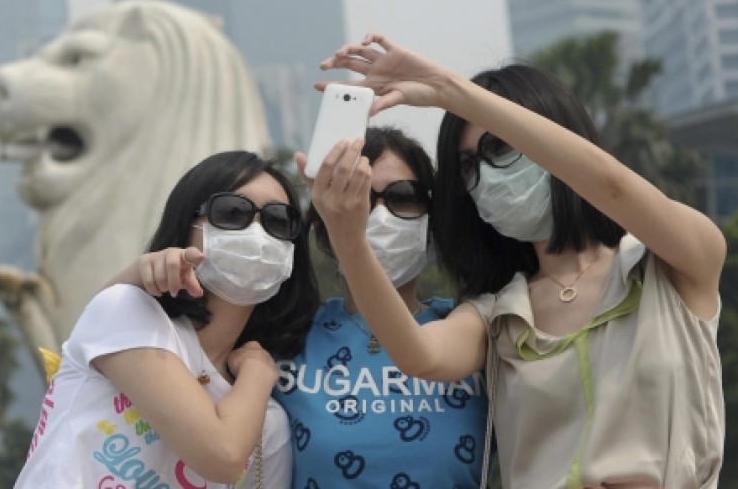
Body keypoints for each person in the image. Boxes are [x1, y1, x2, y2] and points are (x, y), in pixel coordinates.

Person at [307, 34, 726, 489]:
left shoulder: (673, 266)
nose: (485, 174)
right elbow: (418, 354)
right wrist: (351, 242)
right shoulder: (500, 315)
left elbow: (611, 186)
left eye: (501, 149)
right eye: (468, 165)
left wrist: (450, 90)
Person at [133, 127, 490, 488]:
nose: (377, 214)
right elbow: (130, 348)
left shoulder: (478, 330)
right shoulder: (279, 340)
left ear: (433, 222)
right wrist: (136, 275)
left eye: (403, 197)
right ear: (322, 232)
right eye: (357, 197)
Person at [14, 150, 320, 489]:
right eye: (232, 212)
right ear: (186, 225)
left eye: (278, 221)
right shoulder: (128, 310)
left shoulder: (267, 423)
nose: (257, 232)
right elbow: (223, 455)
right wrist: (260, 372)